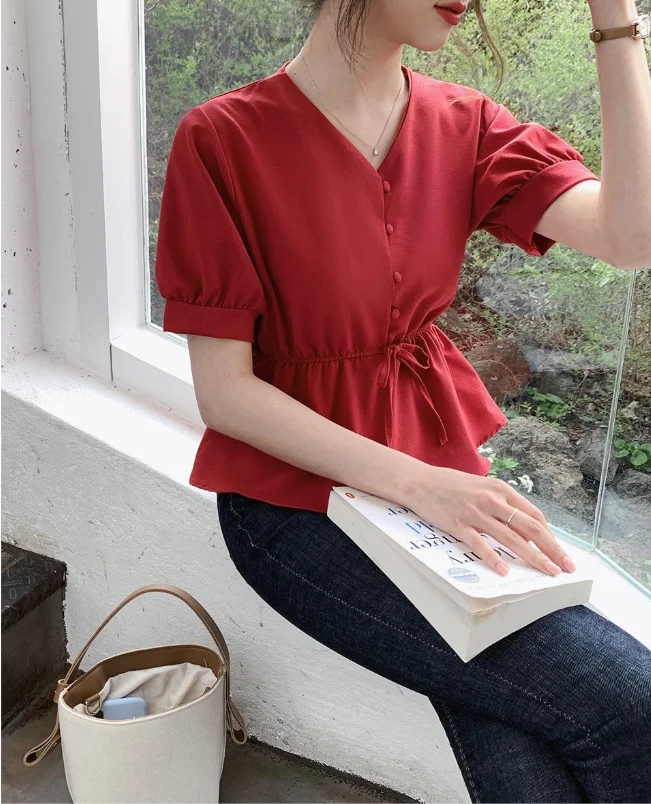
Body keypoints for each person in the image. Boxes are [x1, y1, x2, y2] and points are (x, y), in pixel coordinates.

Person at [154, 0, 651, 800]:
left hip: (435, 500)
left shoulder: (465, 126)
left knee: (523, 745)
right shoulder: (223, 139)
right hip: (296, 508)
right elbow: (226, 395)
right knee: (628, 705)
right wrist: (425, 485)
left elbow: (630, 238)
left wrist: (614, 19)